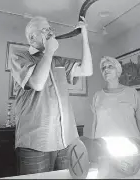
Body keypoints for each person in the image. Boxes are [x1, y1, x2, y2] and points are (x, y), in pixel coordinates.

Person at [10, 16, 93, 175]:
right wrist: (48, 51)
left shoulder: (58, 61)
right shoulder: (19, 57)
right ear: (32, 37)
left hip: (65, 143)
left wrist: (85, 35)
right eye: (44, 29)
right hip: (34, 145)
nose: (50, 32)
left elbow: (86, 70)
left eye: (50, 29)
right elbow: (37, 83)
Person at [91, 56, 140, 154]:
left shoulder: (132, 93)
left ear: (118, 71)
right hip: (104, 148)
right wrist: (93, 150)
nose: (106, 69)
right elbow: (94, 124)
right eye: (103, 68)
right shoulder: (97, 96)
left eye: (110, 66)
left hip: (129, 146)